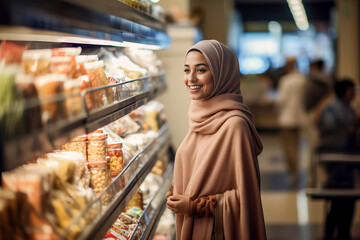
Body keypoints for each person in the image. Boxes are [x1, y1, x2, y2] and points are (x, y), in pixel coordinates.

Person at [166, 40, 266, 239]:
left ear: (222, 74)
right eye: (187, 70)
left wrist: (196, 206)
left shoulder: (235, 125)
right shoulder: (198, 116)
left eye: (201, 70)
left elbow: (246, 200)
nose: (190, 78)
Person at [318, 79, 358, 240]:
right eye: (352, 90)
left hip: (347, 160)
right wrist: (348, 128)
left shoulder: (348, 108)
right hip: (335, 160)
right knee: (337, 198)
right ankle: (332, 230)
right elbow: (329, 131)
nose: (354, 94)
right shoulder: (332, 109)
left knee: (349, 198)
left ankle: (344, 229)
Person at [275, 57, 307, 187]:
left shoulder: (286, 80)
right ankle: (296, 171)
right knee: (297, 146)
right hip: (300, 118)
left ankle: (293, 172)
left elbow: (281, 100)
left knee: (288, 148)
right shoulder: (303, 79)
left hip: (286, 118)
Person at [303, 59, 334, 187]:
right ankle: (319, 178)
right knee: (319, 147)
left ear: (314, 67)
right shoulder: (327, 80)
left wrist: (317, 110)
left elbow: (310, 101)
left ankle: (314, 179)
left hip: (315, 115)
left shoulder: (315, 80)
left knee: (314, 148)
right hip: (321, 116)